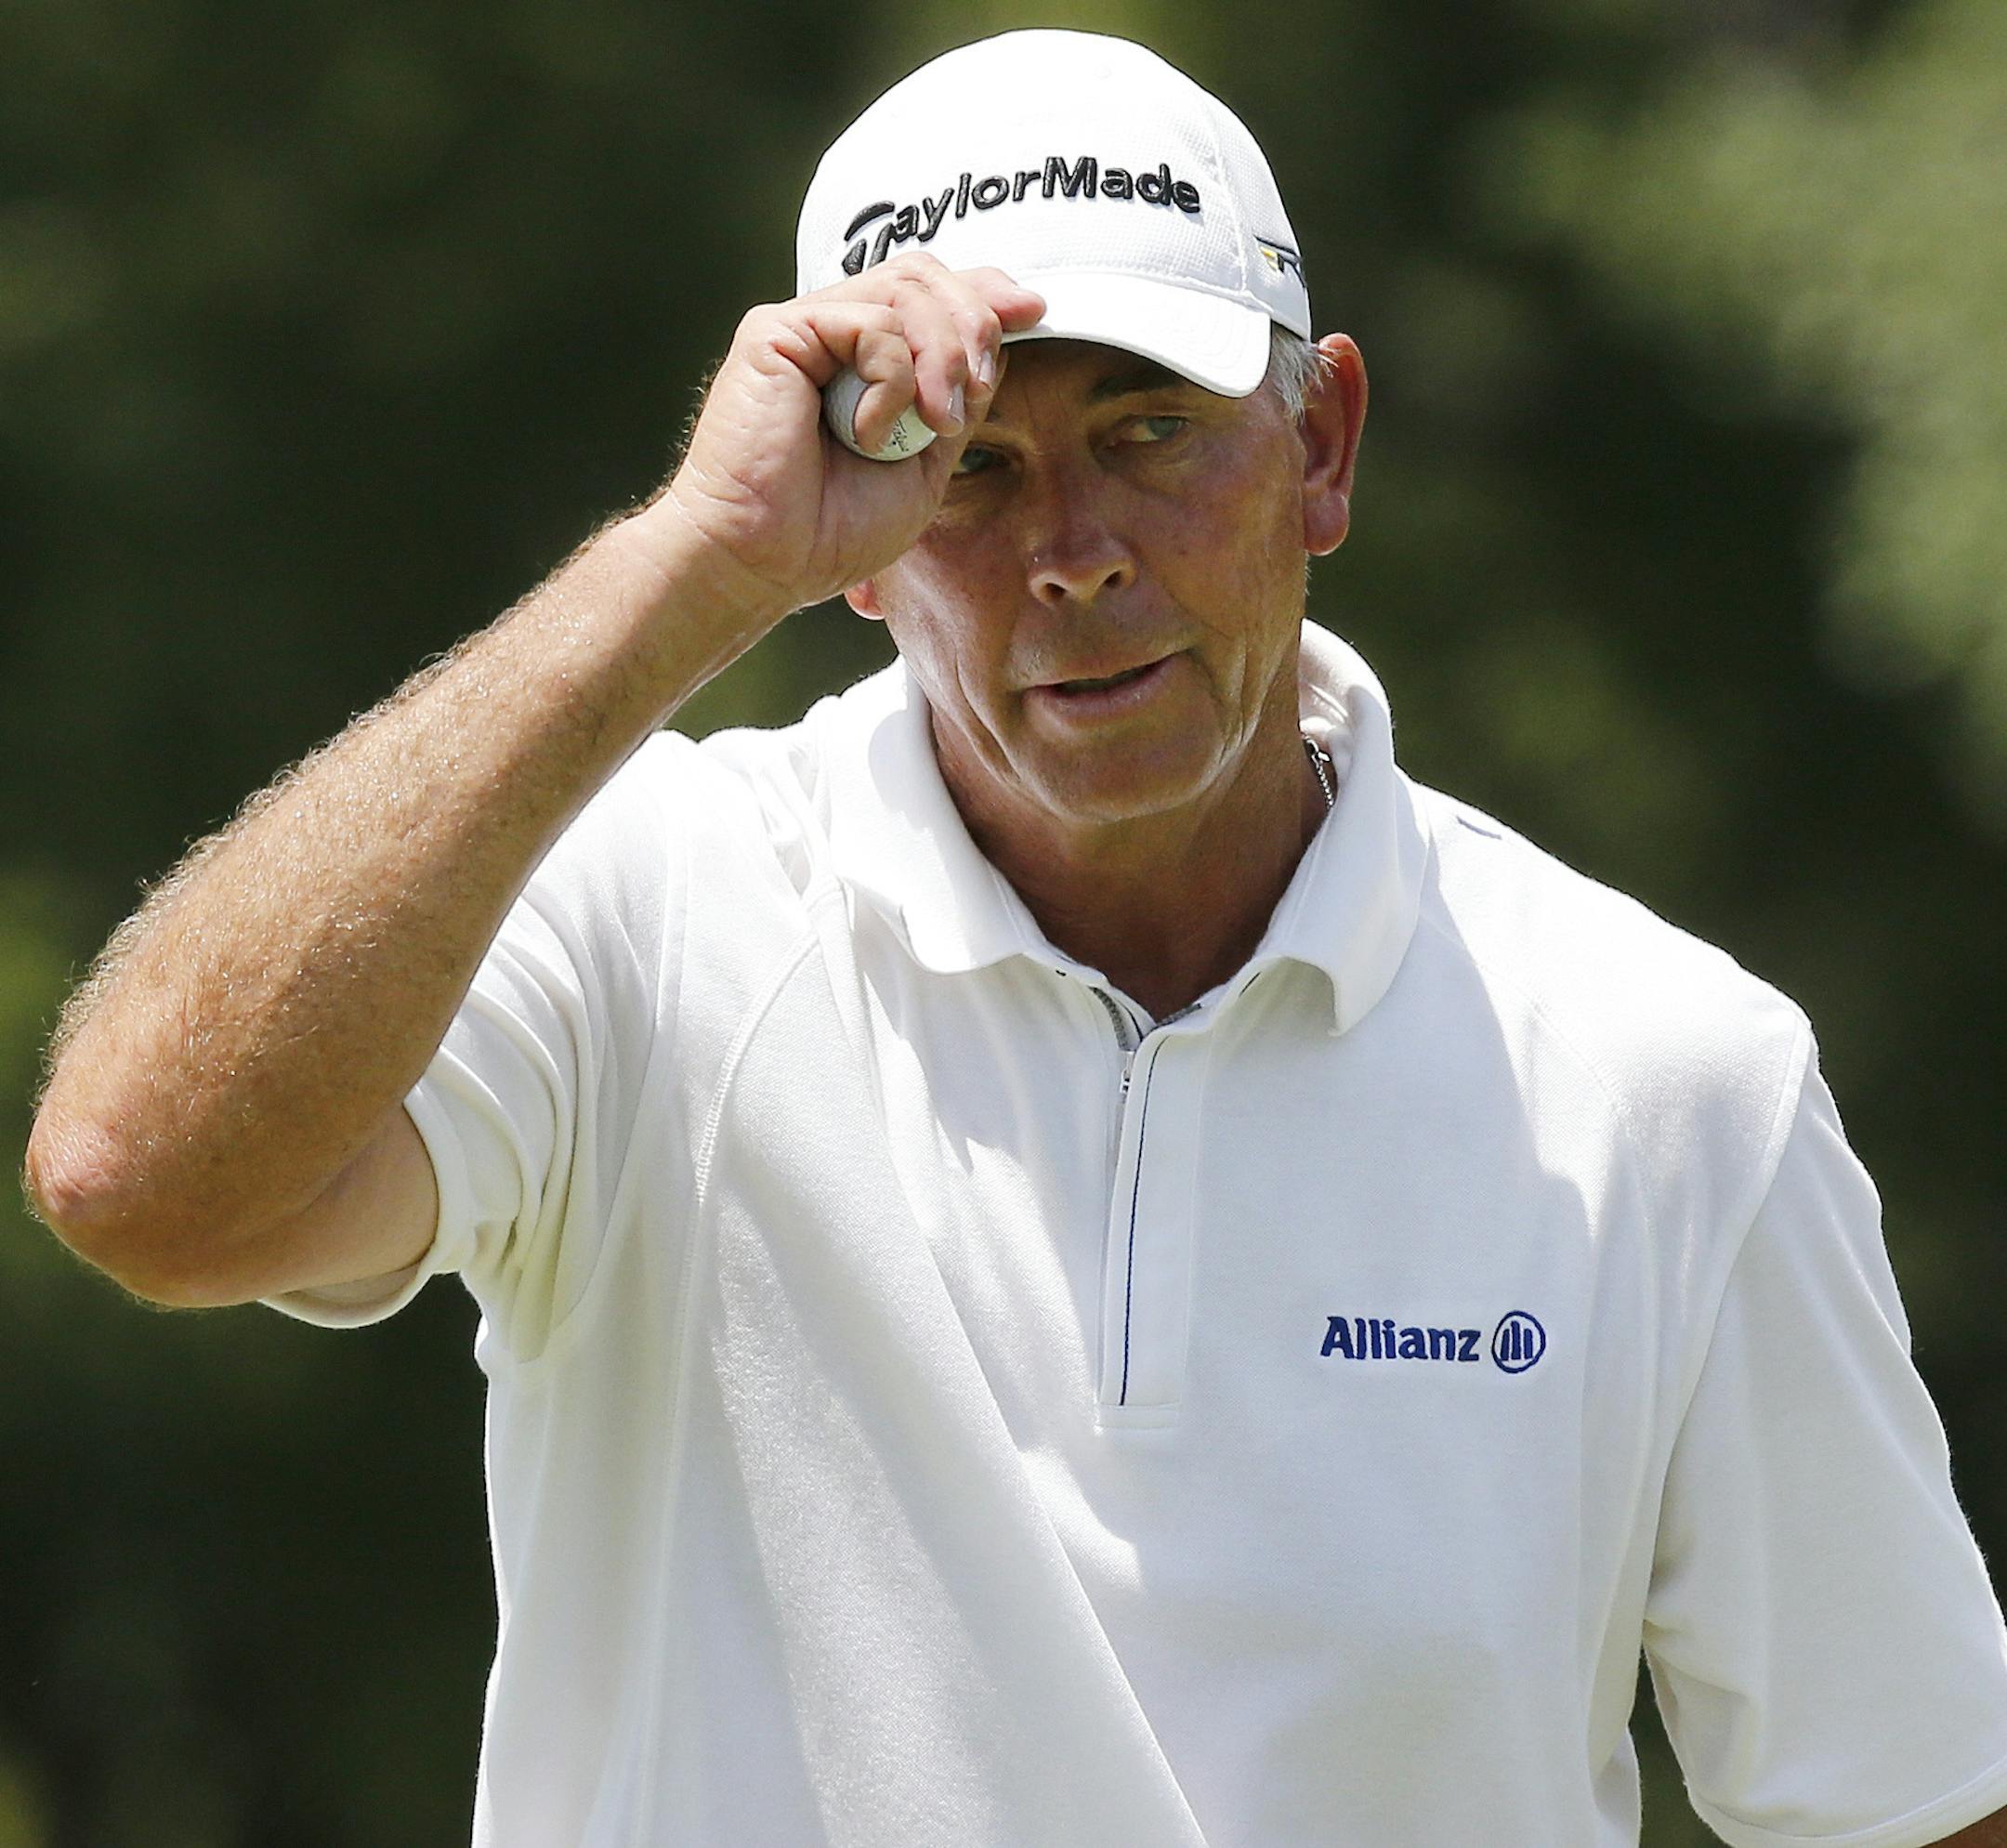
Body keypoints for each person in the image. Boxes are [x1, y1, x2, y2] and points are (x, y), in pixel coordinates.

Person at [24, 27, 2007, 1848]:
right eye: (965, 468)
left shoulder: (1670, 1076)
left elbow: (1914, 1802)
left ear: (1321, 444)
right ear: (859, 553)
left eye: (1148, 428)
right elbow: (145, 1181)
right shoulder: (649, 916)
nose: (1071, 548)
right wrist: (689, 565)